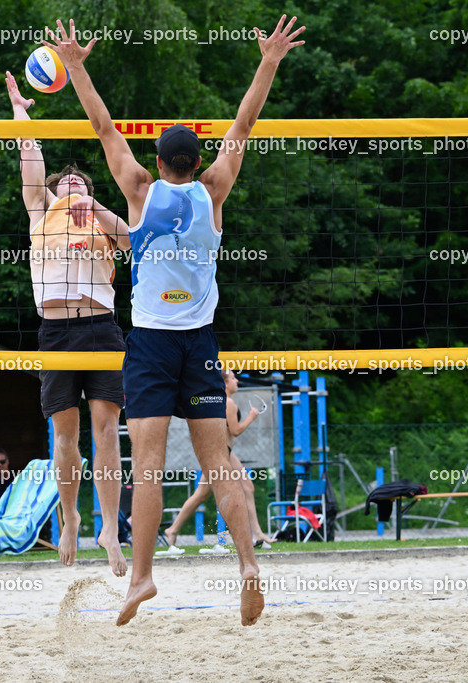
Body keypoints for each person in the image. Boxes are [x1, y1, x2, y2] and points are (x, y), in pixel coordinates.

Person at [46, 14, 305, 626]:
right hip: (200, 342)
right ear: (196, 161)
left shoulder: (138, 189)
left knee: (151, 468)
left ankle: (141, 578)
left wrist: (77, 65)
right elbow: (244, 124)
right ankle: (247, 565)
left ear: (159, 161)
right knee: (220, 468)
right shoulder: (214, 190)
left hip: (153, 346)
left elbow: (103, 126)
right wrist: (267, 59)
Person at [5, 69, 129, 577]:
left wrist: (95, 205)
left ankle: (108, 526)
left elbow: (132, 242)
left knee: (106, 433)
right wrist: (20, 114)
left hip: (101, 329)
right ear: (55, 192)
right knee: (65, 438)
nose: (74, 184)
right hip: (56, 333)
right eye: (67, 182)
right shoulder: (42, 213)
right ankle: (71, 515)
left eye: (82, 181)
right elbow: (30, 159)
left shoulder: (102, 220)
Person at [163, 369, 275, 548]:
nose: (236, 381)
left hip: (225, 452)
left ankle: (258, 534)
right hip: (221, 453)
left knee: (245, 487)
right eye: (233, 378)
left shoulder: (221, 401)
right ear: (225, 383)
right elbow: (235, 431)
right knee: (206, 494)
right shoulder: (228, 403)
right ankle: (174, 530)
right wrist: (251, 417)